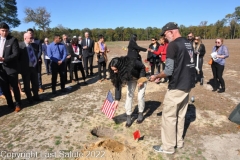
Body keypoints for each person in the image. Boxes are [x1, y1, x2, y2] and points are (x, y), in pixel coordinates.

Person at [150, 22, 196, 154]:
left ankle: (168, 147)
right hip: (187, 85)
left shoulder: (173, 45)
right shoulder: (188, 43)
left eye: (165, 35)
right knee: (181, 116)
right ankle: (179, 142)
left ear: (171, 31)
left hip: (176, 86)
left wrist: (157, 76)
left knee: (169, 117)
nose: (164, 38)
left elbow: (169, 70)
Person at [108, 56, 148, 127]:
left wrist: (141, 79)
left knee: (140, 96)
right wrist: (117, 100)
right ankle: (129, 116)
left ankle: (140, 113)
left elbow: (142, 67)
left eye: (116, 69)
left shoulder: (131, 62)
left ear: (120, 66)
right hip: (131, 79)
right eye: (113, 70)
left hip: (140, 76)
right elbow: (118, 84)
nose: (114, 72)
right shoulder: (117, 72)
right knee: (129, 96)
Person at [0, 22, 22, 112]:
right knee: (5, 88)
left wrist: (4, 59)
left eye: (6, 31)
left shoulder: (13, 40)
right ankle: (10, 104)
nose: (4, 33)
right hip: (0, 69)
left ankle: (18, 104)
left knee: (14, 87)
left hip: (11, 68)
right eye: (2, 31)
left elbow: (16, 54)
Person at [19, 33, 43, 104]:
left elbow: (36, 54)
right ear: (25, 38)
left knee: (35, 83)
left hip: (34, 67)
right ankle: (29, 98)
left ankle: (36, 96)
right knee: (27, 84)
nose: (32, 39)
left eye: (32, 38)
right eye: (30, 38)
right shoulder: (20, 46)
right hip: (25, 69)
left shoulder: (34, 45)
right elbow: (18, 59)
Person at [27, 28, 44, 93]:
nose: (30, 34)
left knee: (38, 74)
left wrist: (37, 58)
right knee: (30, 75)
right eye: (29, 33)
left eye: (31, 33)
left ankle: (39, 86)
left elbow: (40, 50)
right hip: (29, 62)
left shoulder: (38, 41)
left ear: (33, 33)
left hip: (37, 60)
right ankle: (33, 87)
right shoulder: (26, 41)